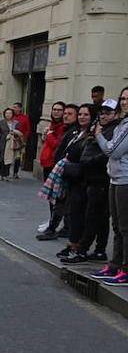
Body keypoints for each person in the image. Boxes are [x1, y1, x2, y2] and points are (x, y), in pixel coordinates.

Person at [60, 101, 114, 264]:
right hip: (92, 180)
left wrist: (88, 161)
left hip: (101, 180)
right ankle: (98, 251)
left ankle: (83, 250)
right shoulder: (98, 129)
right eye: (102, 112)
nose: (104, 116)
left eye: (108, 113)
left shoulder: (109, 131)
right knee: (99, 218)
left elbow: (108, 152)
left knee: (94, 218)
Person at [56, 104, 100, 263]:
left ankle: (78, 247)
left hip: (83, 180)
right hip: (72, 179)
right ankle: (72, 244)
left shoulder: (93, 134)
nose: (82, 117)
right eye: (80, 114)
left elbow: (86, 155)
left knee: (80, 215)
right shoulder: (75, 131)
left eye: (85, 115)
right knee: (72, 214)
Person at [95, 86, 128, 285]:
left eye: (127, 99)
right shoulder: (122, 123)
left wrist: (99, 134)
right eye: (122, 98)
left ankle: (125, 269)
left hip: (125, 181)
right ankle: (115, 265)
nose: (124, 102)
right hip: (115, 179)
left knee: (125, 228)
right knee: (116, 226)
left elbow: (113, 151)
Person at [37, 102, 71, 241]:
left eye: (59, 110)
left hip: (54, 164)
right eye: (54, 109)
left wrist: (49, 136)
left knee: (56, 197)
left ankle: (54, 223)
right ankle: (52, 220)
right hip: (47, 163)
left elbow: (58, 145)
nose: (56, 112)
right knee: (51, 197)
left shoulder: (63, 127)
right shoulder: (52, 125)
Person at [0, 108, 23, 181]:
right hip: (2, 142)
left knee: (9, 159)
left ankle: (6, 174)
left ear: (12, 114)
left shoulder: (16, 123)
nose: (8, 115)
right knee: (2, 158)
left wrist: (15, 133)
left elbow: (18, 133)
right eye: (7, 113)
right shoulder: (0, 122)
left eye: (10, 113)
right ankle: (1, 174)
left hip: (11, 142)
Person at [11, 102, 32, 179]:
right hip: (10, 138)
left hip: (20, 140)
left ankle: (15, 172)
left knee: (17, 157)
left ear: (20, 108)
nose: (14, 109)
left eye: (16, 107)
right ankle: (5, 172)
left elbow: (27, 130)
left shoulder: (25, 118)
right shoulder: (11, 117)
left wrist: (24, 140)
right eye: (13, 107)